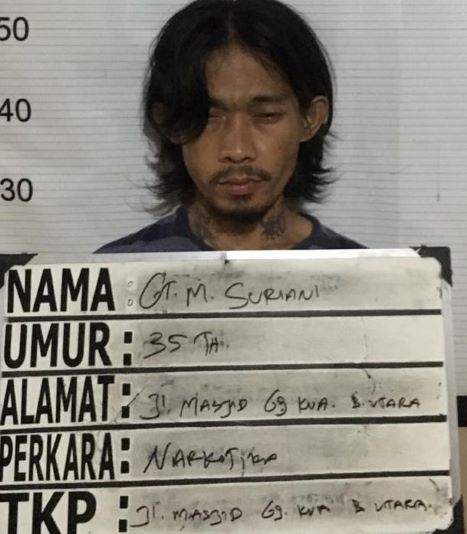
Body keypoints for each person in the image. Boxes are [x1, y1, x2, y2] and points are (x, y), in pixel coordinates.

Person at [98, 0, 362, 253]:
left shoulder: (366, 277)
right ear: (170, 122)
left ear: (310, 119)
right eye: (208, 117)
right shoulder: (116, 276)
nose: (237, 150)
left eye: (266, 115)